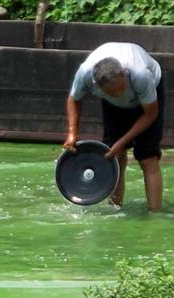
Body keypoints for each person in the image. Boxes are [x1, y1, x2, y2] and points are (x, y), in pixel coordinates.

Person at [63, 42, 165, 211]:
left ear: (124, 74)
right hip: (113, 107)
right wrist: (72, 134)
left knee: (148, 158)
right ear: (96, 84)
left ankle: (155, 213)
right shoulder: (85, 74)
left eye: (121, 88)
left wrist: (122, 142)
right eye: (112, 92)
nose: (119, 94)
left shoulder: (141, 75)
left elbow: (150, 114)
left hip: (147, 102)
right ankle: (115, 207)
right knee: (113, 157)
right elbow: (74, 99)